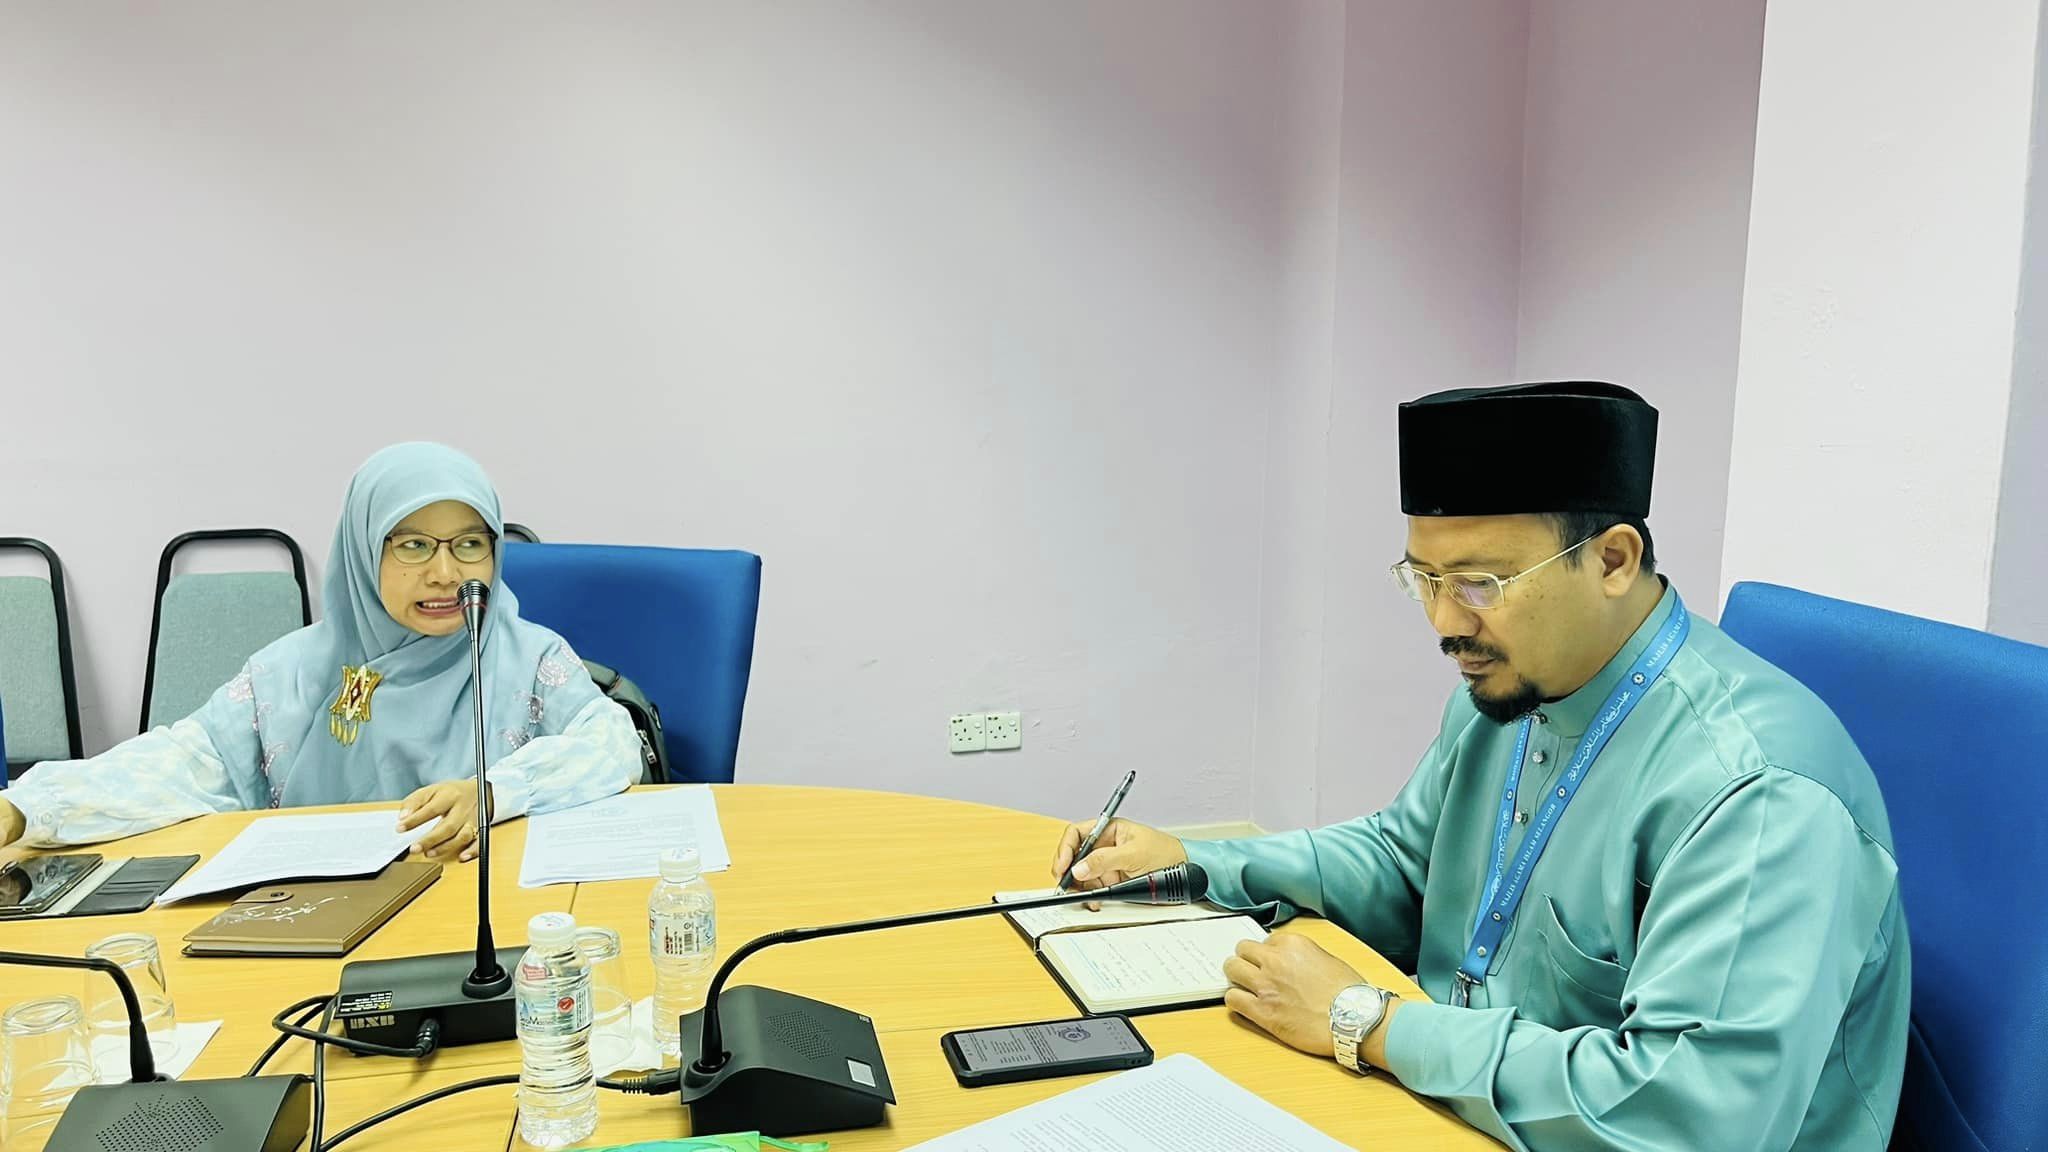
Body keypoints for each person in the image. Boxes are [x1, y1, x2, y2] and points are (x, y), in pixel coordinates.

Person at [1050, 382, 1909, 1151]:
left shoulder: (1756, 793)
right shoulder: (1510, 685)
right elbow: (1404, 862)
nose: (1444, 624)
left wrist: (1370, 1023)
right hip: (1449, 1110)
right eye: (1423, 579)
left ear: (1612, 560)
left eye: (1479, 584)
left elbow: (1688, 1118)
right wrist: (1195, 863)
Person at [0, 442, 641, 866]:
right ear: (363, 551)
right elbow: (181, 763)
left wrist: (494, 793)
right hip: (325, 929)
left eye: (471, 544)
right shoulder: (290, 674)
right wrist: (28, 807)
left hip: (487, 918)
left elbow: (611, 744)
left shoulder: (527, 659)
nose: (446, 573)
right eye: (413, 545)